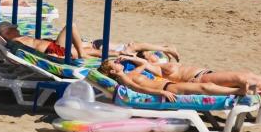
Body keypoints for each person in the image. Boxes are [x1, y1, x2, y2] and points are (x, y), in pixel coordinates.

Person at [0, 21, 178, 61]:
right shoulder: (15, 42)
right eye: (13, 28)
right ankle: (137, 52)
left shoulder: (17, 40)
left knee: (118, 50)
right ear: (7, 32)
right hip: (54, 52)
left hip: (56, 48)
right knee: (71, 25)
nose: (17, 29)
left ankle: (133, 54)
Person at [128, 53, 261, 96]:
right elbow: (142, 63)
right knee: (242, 79)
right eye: (149, 54)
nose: (153, 54)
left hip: (207, 73)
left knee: (247, 74)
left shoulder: (162, 62)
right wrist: (131, 57)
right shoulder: (156, 68)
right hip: (201, 79)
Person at [99, 59, 251, 100]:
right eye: (116, 63)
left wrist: (126, 57)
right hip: (166, 89)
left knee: (207, 85)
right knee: (204, 88)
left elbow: (144, 64)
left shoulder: (128, 73)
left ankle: (239, 90)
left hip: (168, 85)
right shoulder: (124, 79)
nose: (119, 63)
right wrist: (161, 94)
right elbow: (139, 89)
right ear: (113, 71)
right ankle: (238, 91)